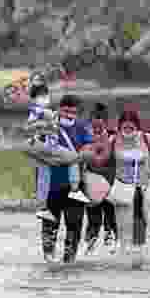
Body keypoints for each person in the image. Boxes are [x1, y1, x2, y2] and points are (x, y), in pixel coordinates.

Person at [24, 94, 94, 263]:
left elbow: (89, 150)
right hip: (51, 183)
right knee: (49, 222)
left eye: (72, 112)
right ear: (59, 108)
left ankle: (69, 261)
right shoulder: (46, 125)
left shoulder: (83, 127)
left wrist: (79, 155)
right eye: (65, 110)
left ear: (77, 112)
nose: (68, 114)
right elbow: (32, 147)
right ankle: (49, 259)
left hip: (75, 183)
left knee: (74, 223)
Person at [103, 108, 150, 268]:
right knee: (122, 222)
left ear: (137, 126)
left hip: (141, 186)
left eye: (131, 127)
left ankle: (139, 251)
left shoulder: (146, 138)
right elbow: (104, 158)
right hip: (122, 184)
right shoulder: (113, 140)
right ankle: (124, 252)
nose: (128, 130)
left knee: (139, 219)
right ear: (120, 126)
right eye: (125, 127)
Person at [26, 72, 90, 206]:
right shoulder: (42, 113)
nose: (69, 115)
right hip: (50, 148)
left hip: (49, 149)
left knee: (45, 172)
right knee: (72, 159)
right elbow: (33, 128)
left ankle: (42, 201)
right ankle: (73, 189)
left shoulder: (44, 112)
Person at [83, 103, 118, 254]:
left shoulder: (114, 136)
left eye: (101, 118)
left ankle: (111, 241)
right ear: (90, 120)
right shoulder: (85, 136)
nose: (97, 121)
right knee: (93, 216)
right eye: (95, 118)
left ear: (106, 120)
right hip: (92, 181)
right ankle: (90, 243)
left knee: (111, 214)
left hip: (110, 180)